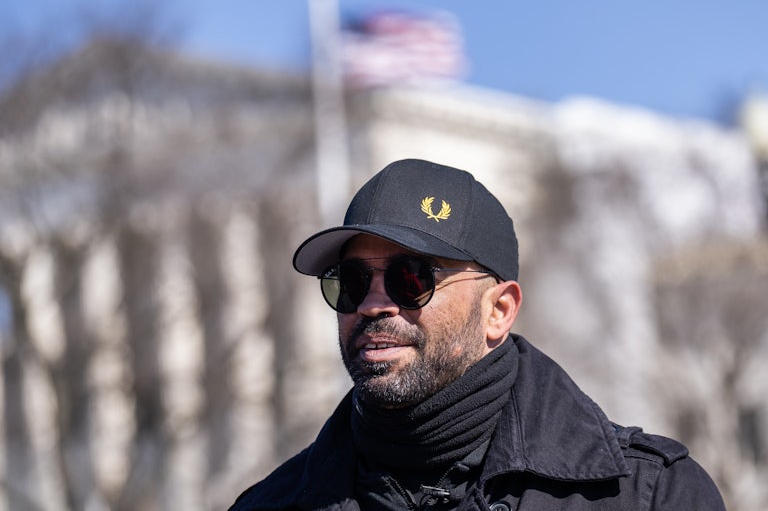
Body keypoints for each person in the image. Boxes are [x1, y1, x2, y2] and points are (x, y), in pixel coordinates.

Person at [229, 159, 725, 510]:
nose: (373, 305)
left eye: (412, 278)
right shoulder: (270, 504)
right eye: (352, 281)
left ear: (499, 311)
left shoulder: (650, 494)